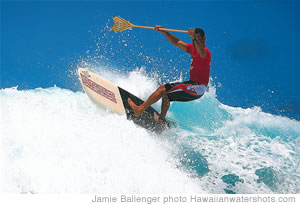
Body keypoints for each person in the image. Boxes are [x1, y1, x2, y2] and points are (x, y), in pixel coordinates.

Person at [128, 25, 211, 124]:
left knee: (163, 88)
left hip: (198, 87)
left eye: (197, 37)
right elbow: (177, 42)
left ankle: (139, 110)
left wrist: (194, 38)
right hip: (192, 84)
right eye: (194, 37)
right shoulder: (192, 49)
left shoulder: (206, 52)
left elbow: (201, 51)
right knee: (166, 94)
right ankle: (161, 120)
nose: (195, 40)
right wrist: (165, 32)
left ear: (204, 38)